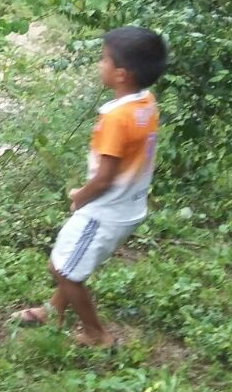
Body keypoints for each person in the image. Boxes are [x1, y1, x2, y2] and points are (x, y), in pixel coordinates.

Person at [15, 27, 166, 346]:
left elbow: (105, 177)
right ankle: (49, 310)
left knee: (63, 269)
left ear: (121, 74)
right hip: (129, 205)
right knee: (73, 261)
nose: (99, 65)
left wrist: (80, 196)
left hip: (105, 209)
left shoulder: (115, 119)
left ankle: (96, 334)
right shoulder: (146, 103)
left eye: (103, 60)